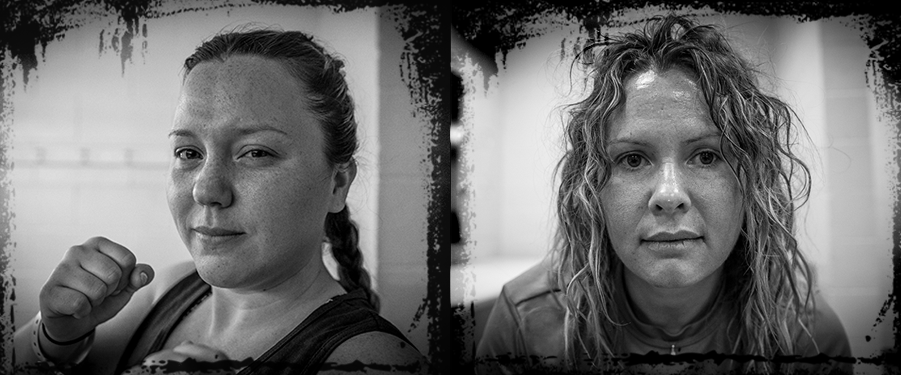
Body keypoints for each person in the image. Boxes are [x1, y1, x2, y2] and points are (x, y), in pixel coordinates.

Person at [14, 28, 426, 374]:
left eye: (256, 153)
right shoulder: (171, 289)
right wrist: (55, 336)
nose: (206, 190)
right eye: (188, 153)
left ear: (337, 184)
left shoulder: (374, 361)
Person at [476, 14, 852, 374]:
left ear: (752, 184)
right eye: (633, 159)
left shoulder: (807, 339)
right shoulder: (526, 327)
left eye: (707, 156)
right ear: (592, 189)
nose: (669, 195)